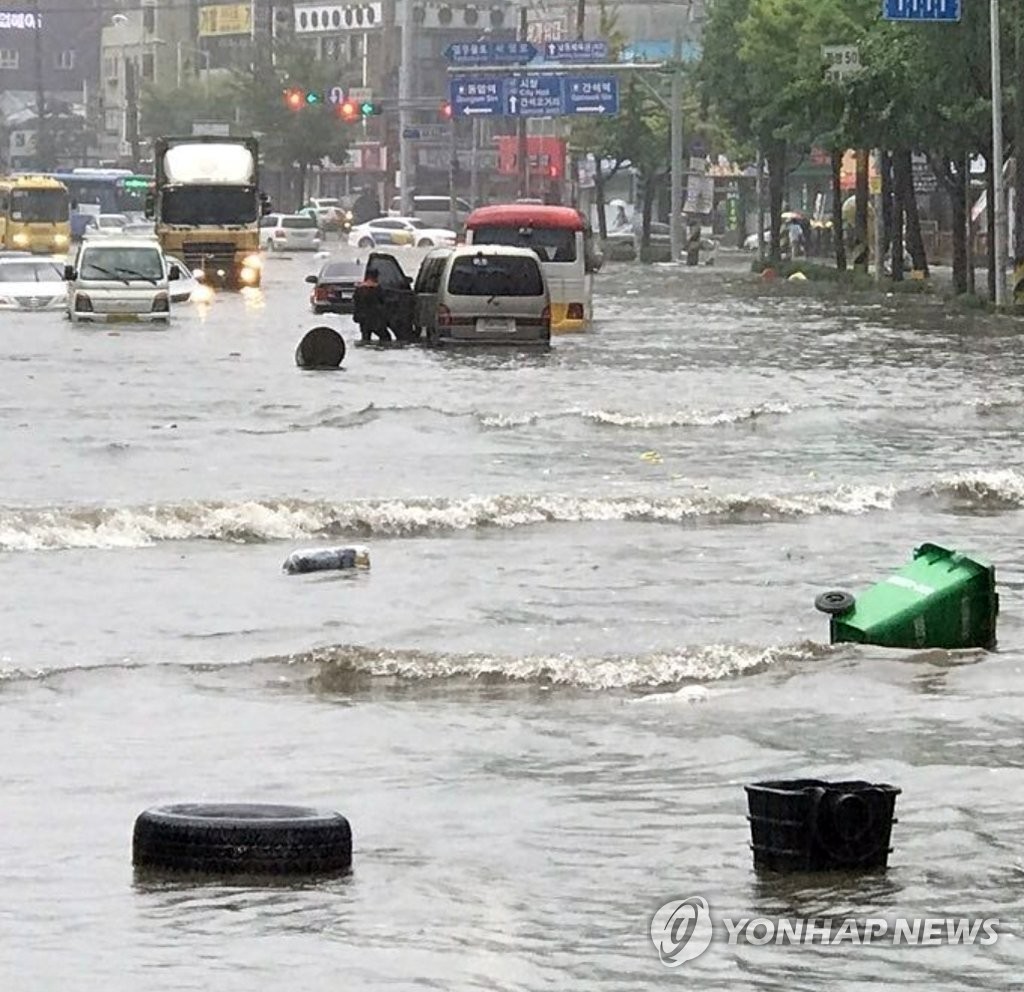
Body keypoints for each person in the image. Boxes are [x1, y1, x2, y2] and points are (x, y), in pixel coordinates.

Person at [352, 267, 392, 344]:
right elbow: (382, 302)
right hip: (375, 319)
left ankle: (366, 349)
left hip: (363, 319)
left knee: (366, 339)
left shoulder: (359, 289)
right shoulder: (377, 289)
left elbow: (356, 303)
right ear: (375, 277)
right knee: (386, 337)